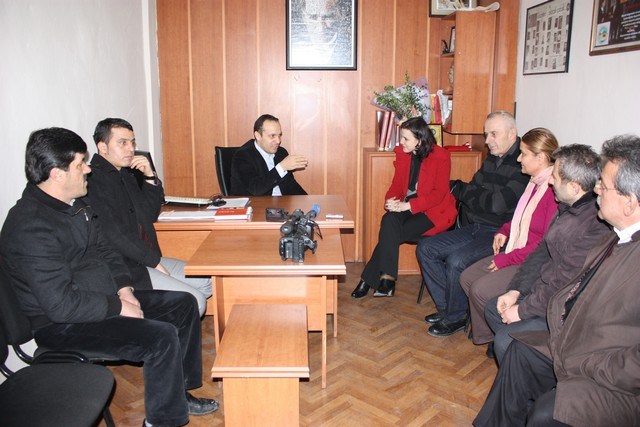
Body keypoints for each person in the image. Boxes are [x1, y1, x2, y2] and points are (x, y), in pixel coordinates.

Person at [0, 128, 218, 427]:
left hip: (103, 299)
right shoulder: (30, 228)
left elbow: (107, 251)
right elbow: (60, 306)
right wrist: (118, 306)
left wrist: (125, 290)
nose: (88, 169)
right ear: (57, 174)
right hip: (62, 324)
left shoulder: (75, 204)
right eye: (80, 164)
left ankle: (178, 395)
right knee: (160, 336)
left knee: (183, 305)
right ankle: (162, 421)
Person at [474, 134, 640, 427]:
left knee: (543, 411)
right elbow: (558, 275)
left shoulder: (601, 232)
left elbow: (629, 363)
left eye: (604, 185)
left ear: (629, 203)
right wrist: (517, 292)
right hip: (570, 335)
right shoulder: (613, 236)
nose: (597, 189)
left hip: (601, 367)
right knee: (519, 352)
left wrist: (578, 358)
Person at [485, 144, 610, 363]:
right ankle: (518, 365)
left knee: (505, 340)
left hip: (562, 308)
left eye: (555, 177)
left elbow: (564, 283)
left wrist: (522, 311)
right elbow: (540, 253)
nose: (550, 181)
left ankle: (526, 368)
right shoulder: (567, 209)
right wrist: (516, 290)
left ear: (574, 187)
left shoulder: (594, 226)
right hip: (542, 293)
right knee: (492, 309)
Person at [416, 111, 529, 337]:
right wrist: (478, 195)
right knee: (426, 248)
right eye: (486, 134)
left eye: (494, 134)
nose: (487, 141)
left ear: (512, 134)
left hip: (499, 234)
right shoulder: (493, 158)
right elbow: (470, 188)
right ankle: (451, 309)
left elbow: (495, 204)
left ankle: (455, 317)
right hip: (476, 226)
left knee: (457, 261)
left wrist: (475, 195)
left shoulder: (523, 163)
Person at [88, 118, 209, 317]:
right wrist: (153, 262)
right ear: (102, 147)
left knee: (206, 282)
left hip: (144, 257)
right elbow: (114, 235)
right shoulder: (93, 181)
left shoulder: (124, 174)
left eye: (132, 142)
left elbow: (149, 215)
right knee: (196, 301)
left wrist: (150, 177)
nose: (131, 149)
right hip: (125, 267)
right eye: (122, 143)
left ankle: (169, 321)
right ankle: (162, 330)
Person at [460, 128, 559, 356]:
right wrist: (504, 230)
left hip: (529, 261)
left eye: (524, 154)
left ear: (540, 158)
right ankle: (492, 335)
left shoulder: (552, 191)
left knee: (480, 289)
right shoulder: (534, 182)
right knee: (467, 277)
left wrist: (506, 259)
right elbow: (520, 217)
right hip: (516, 250)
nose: (518, 159)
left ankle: (500, 338)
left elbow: (543, 245)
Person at [351, 117, 457, 298]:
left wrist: (407, 205)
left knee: (391, 234)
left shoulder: (441, 156)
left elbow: (438, 194)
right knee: (389, 219)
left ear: (420, 140)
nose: (401, 142)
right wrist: (391, 201)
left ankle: (371, 279)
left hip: (433, 212)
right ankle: (386, 279)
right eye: (401, 137)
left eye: (406, 138)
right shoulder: (403, 153)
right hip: (408, 206)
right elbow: (397, 185)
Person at [230, 114, 308, 196]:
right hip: (254, 203)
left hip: (281, 202)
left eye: (279, 135)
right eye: (272, 136)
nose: (278, 141)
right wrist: (281, 167)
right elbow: (256, 189)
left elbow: (290, 185)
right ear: (258, 136)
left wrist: (307, 200)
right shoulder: (242, 156)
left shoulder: (281, 152)